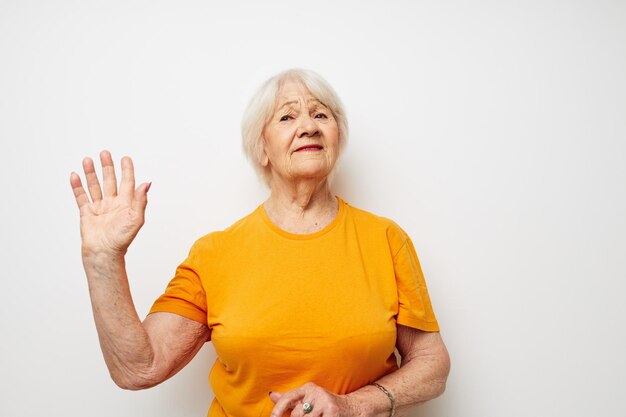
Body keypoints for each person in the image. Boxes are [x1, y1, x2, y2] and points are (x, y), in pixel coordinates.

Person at [69, 68, 450, 417]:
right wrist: (103, 260)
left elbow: (432, 362)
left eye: (321, 115)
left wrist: (354, 404)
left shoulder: (386, 239)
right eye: (287, 116)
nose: (309, 127)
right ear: (262, 148)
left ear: (336, 137)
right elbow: (139, 368)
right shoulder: (214, 254)